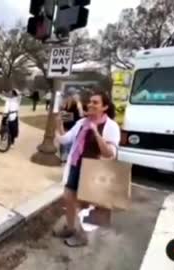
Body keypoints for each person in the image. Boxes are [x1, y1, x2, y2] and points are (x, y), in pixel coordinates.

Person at [53, 90, 120, 247]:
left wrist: (96, 132)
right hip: (77, 165)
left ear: (104, 107)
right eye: (90, 101)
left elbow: (110, 153)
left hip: (95, 170)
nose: (90, 104)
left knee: (88, 206)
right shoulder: (82, 122)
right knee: (69, 198)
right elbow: (65, 140)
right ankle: (70, 228)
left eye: (95, 102)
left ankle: (83, 237)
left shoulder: (111, 126)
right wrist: (58, 125)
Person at [59, 93, 85, 162]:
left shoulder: (78, 105)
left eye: (76, 97)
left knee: (69, 142)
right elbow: (63, 113)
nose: (73, 98)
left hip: (72, 126)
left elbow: (80, 115)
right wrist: (63, 114)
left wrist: (64, 115)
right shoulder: (67, 104)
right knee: (64, 141)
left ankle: (67, 157)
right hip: (66, 125)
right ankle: (63, 156)